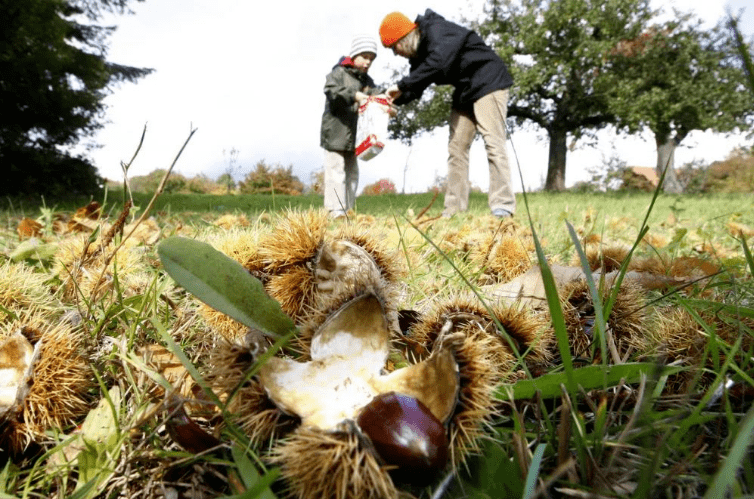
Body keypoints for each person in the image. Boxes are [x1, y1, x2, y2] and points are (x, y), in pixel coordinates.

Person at [379, 10, 515, 218]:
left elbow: (439, 61)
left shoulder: (436, 30)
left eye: (393, 47)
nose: (396, 53)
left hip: (488, 80)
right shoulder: (420, 56)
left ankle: (502, 206)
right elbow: (415, 86)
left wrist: (400, 84)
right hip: (465, 90)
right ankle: (453, 210)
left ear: (403, 37)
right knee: (456, 149)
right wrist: (390, 99)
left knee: (493, 142)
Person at [320, 34, 383, 218]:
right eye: (364, 57)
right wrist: (355, 95)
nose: (368, 62)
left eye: (371, 59)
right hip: (335, 132)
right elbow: (331, 91)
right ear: (354, 55)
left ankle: (348, 210)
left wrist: (387, 104)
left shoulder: (367, 81)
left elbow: (378, 95)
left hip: (355, 136)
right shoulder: (338, 73)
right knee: (336, 171)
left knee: (352, 172)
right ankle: (334, 210)